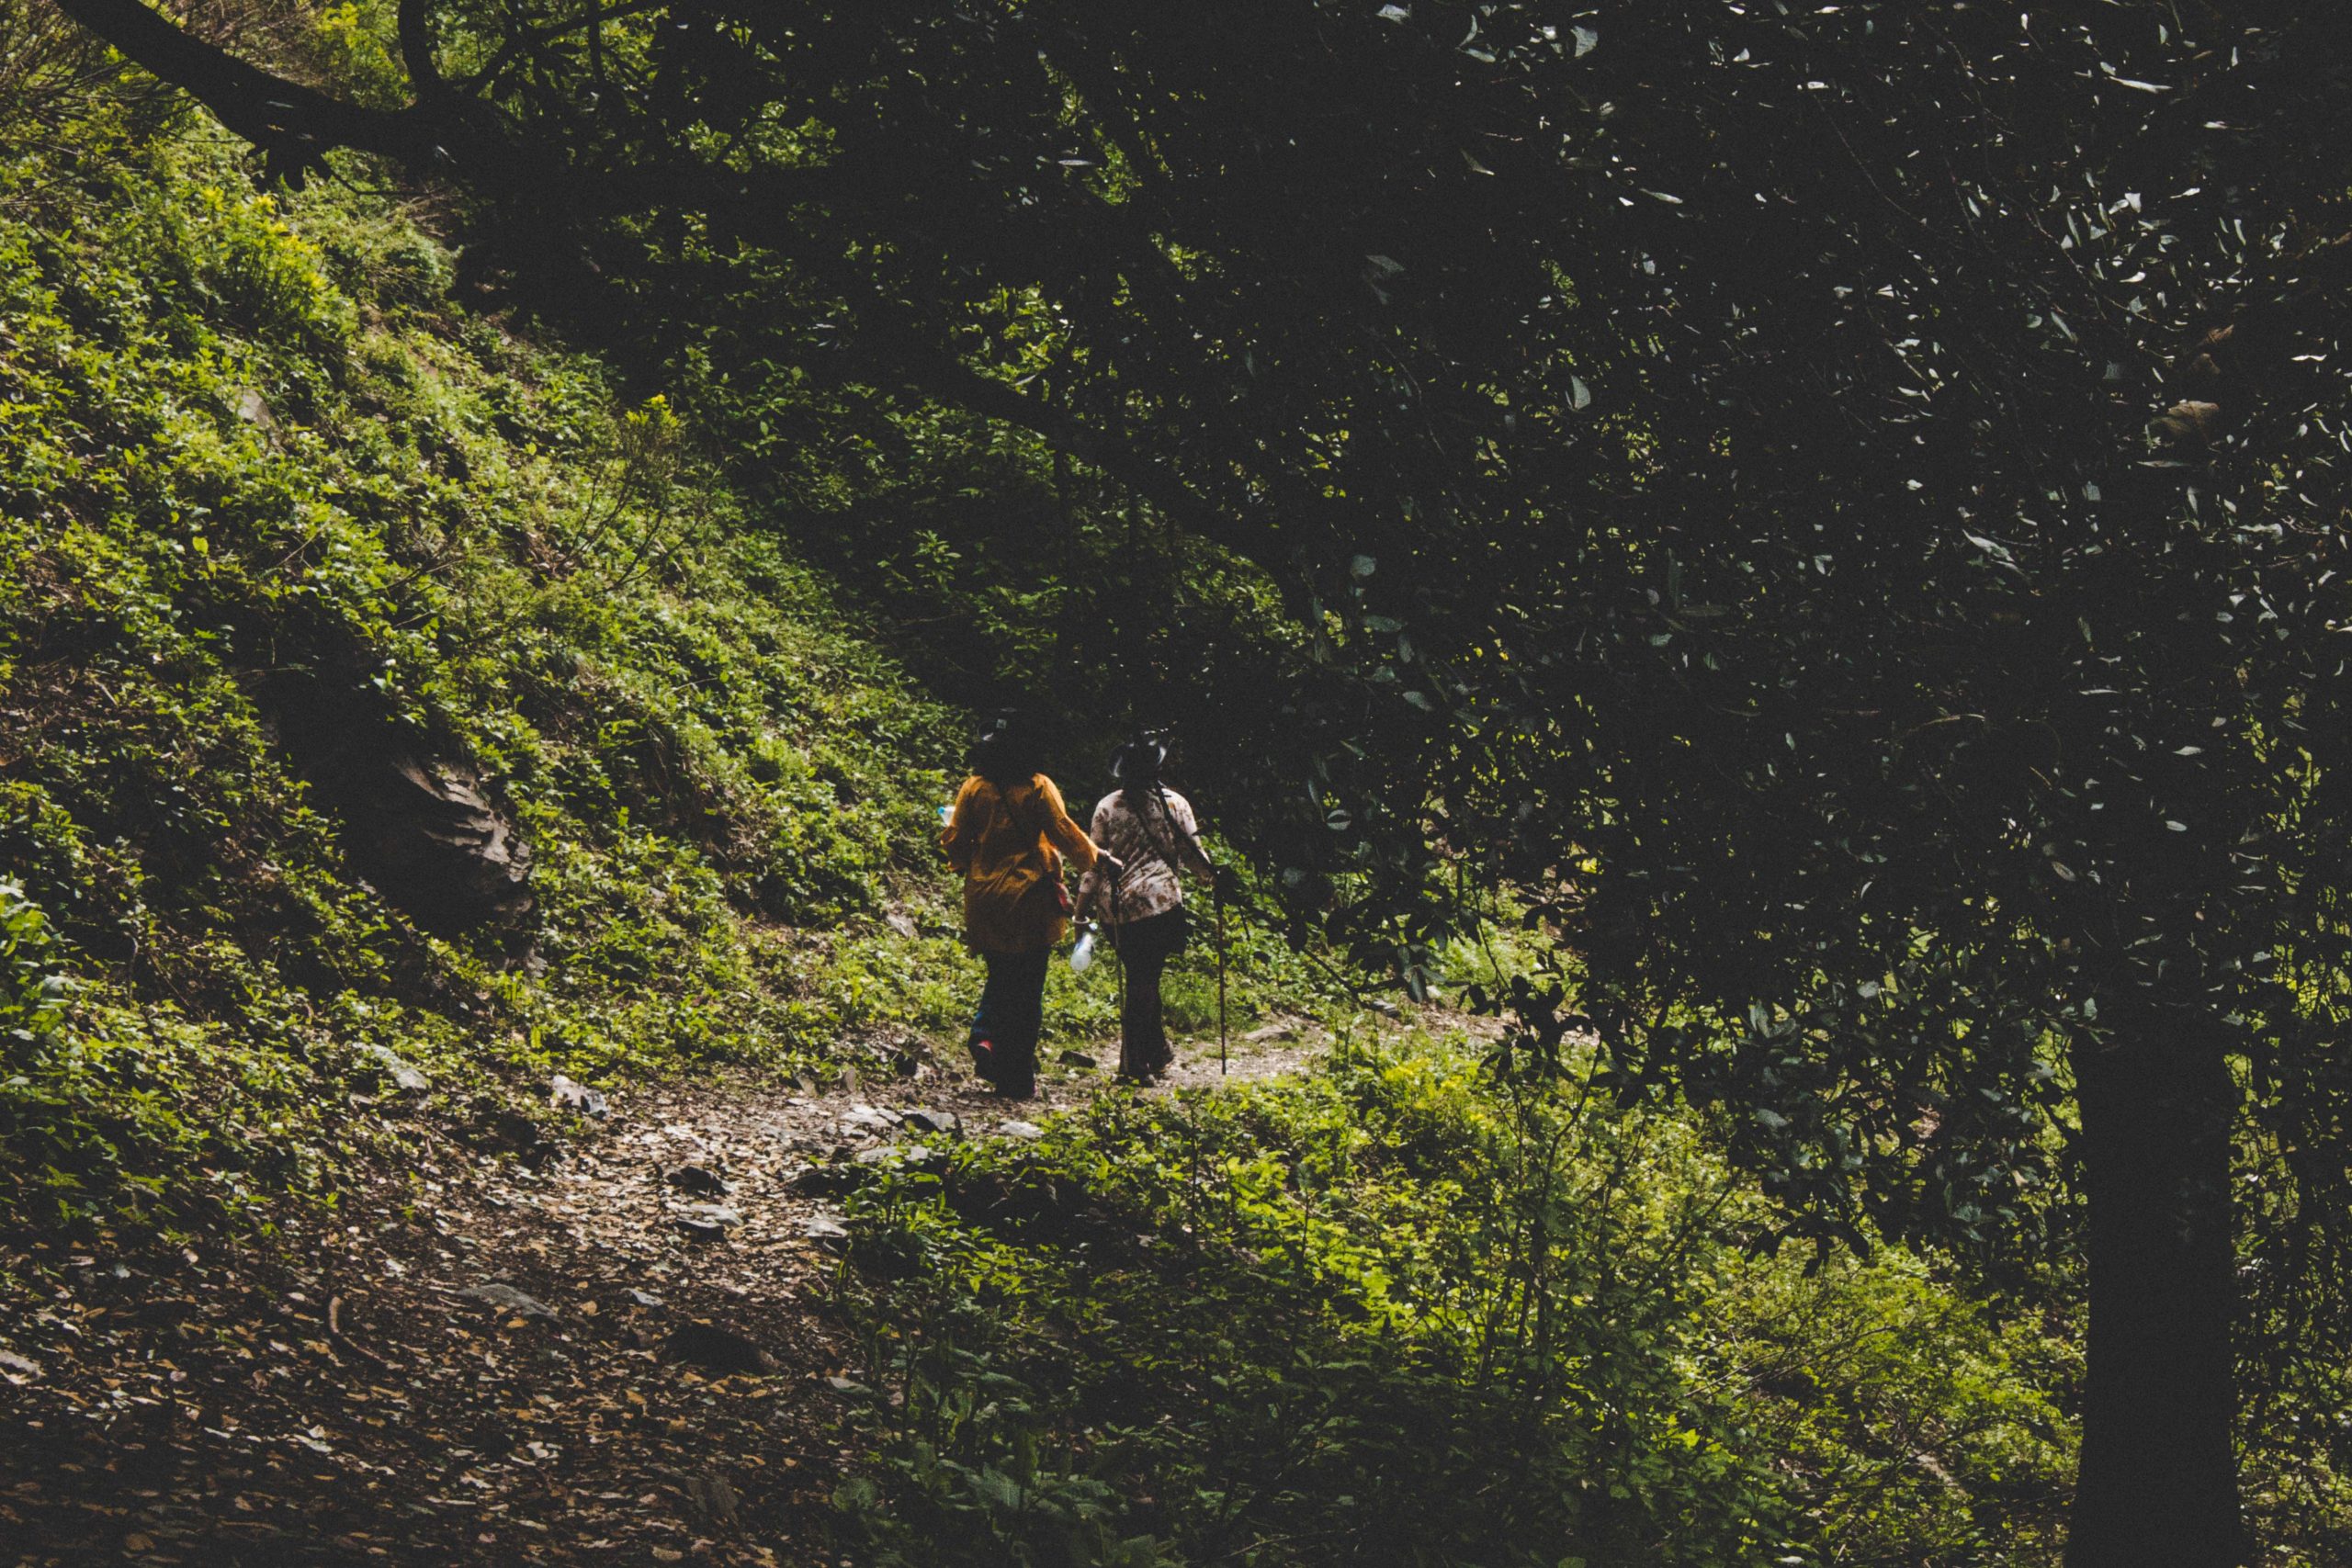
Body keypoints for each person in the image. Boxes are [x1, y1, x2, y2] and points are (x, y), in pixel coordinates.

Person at [939, 714, 1111, 1100]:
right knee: (1027, 987)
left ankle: (986, 1038)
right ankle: (1015, 1077)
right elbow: (1063, 831)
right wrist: (1098, 859)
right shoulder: (1037, 787)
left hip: (985, 898)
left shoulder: (973, 788)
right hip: (1029, 898)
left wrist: (970, 862)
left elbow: (956, 841)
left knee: (1001, 973)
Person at [1076, 733, 1216, 1085]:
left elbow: (1093, 863)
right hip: (1159, 904)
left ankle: (1156, 1051)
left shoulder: (1107, 806)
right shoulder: (1174, 805)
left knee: (1142, 976)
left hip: (1117, 909)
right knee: (1145, 978)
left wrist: (1081, 910)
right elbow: (1193, 853)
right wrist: (1212, 879)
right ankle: (1133, 1062)